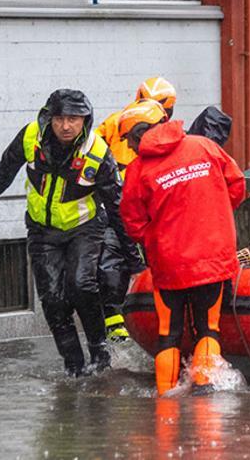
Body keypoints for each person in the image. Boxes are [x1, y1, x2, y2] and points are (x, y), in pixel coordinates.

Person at [0, 89, 132, 376]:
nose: (66, 126)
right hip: (42, 230)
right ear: (48, 119)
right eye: (60, 119)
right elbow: (2, 173)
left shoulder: (98, 151)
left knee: (81, 285)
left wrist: (134, 255)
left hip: (85, 228)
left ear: (85, 120)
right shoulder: (31, 137)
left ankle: (100, 356)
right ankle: (74, 367)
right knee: (52, 299)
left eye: (74, 119)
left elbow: (117, 205)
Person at [118, 99, 245, 396]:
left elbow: (133, 222)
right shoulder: (205, 147)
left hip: (169, 264)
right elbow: (237, 186)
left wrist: (157, 240)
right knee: (208, 327)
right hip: (213, 259)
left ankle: (166, 396)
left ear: (139, 136)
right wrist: (214, 217)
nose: (131, 149)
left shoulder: (137, 170)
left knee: (168, 332)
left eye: (130, 142)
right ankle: (204, 387)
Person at [92, 77, 177, 340]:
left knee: (149, 260)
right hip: (117, 202)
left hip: (147, 203)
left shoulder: (165, 131)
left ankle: (155, 316)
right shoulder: (117, 122)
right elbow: (92, 147)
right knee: (112, 258)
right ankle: (115, 320)